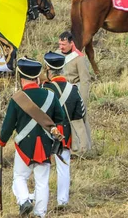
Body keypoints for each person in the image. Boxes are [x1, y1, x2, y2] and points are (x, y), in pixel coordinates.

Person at [0, 57, 65, 218]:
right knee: (42, 181)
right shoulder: (50, 95)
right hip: (45, 144)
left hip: (24, 145)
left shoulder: (17, 98)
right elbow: (60, 117)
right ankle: (40, 214)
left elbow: (8, 124)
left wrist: (2, 140)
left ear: (22, 79)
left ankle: (24, 201)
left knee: (20, 177)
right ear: (36, 77)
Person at [42, 52, 86, 208]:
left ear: (49, 70)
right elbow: (80, 112)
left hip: (46, 133)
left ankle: (42, 201)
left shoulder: (45, 89)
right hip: (65, 134)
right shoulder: (73, 89)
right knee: (64, 167)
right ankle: (62, 201)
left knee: (43, 169)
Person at [56, 32, 92, 108]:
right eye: (60, 44)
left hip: (73, 92)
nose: (61, 47)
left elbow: (85, 81)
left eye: (64, 45)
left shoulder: (79, 58)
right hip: (59, 91)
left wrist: (83, 101)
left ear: (71, 43)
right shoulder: (57, 54)